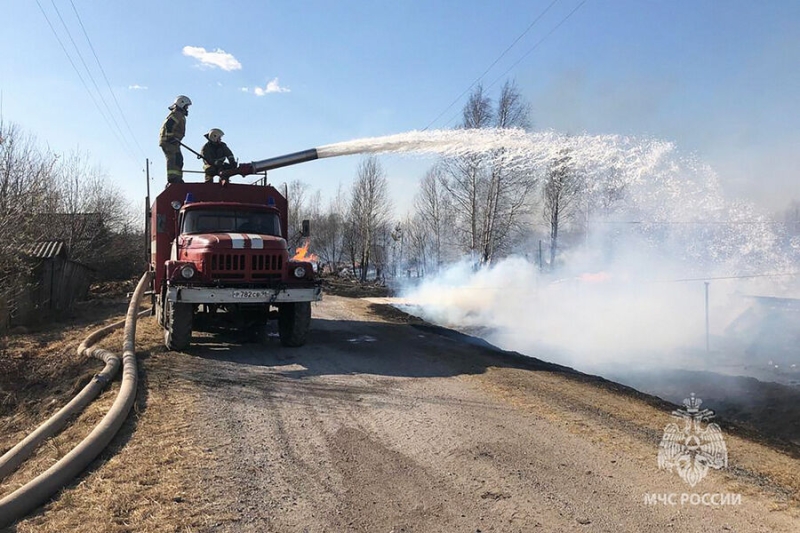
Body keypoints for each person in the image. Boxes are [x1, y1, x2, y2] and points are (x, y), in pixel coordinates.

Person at [159, 95, 192, 185]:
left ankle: (177, 179)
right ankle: (173, 179)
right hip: (169, 141)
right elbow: (169, 125)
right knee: (173, 159)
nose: (187, 108)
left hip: (172, 141)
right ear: (182, 105)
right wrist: (171, 137)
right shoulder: (177, 114)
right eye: (186, 106)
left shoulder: (178, 114)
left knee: (178, 159)